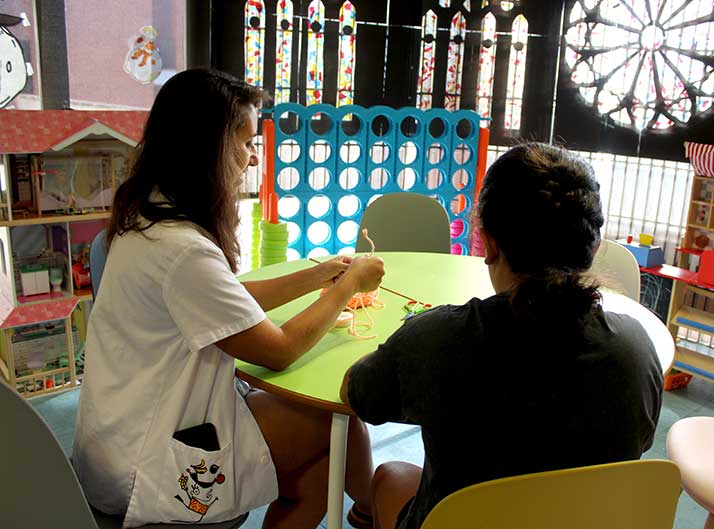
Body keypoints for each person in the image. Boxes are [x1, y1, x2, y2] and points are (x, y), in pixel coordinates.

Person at [72, 68, 384, 529]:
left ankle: (368, 507)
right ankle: (377, 508)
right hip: (150, 463)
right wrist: (346, 286)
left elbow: (225, 297)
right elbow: (277, 351)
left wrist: (318, 274)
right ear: (207, 147)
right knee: (335, 423)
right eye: (246, 142)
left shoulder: (147, 217)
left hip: (117, 437)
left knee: (317, 472)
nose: (253, 158)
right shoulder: (182, 249)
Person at [342, 143, 664, 529]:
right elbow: (639, 443)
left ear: (488, 243)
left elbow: (358, 393)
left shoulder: (439, 339)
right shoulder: (636, 349)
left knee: (391, 476)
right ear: (592, 248)